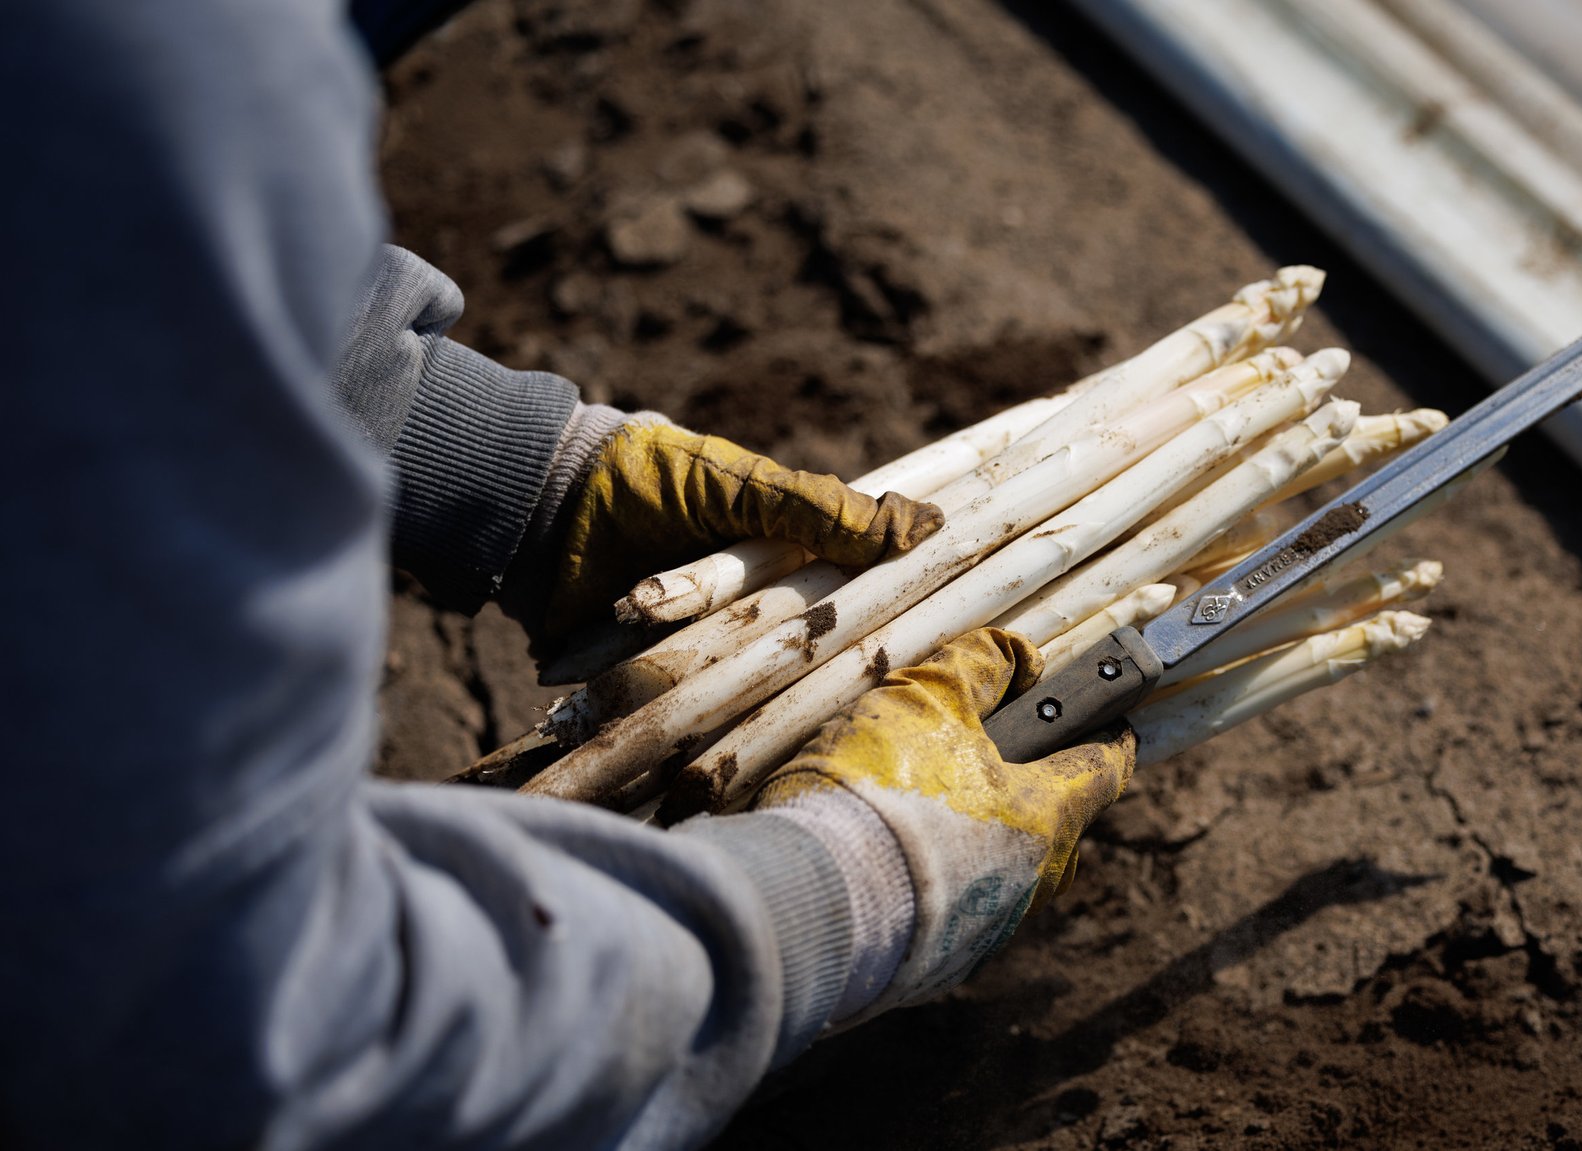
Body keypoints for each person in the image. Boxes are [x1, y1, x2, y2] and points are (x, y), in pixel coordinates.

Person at [0, 2, 1135, 1147]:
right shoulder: (159, 62)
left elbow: (70, 240)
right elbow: (240, 1031)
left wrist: (502, 464)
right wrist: (839, 896)